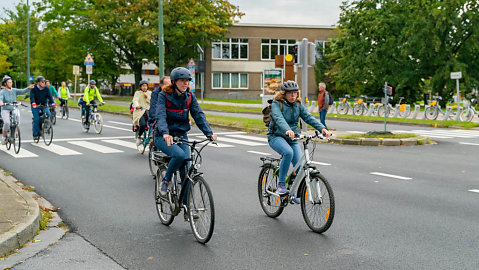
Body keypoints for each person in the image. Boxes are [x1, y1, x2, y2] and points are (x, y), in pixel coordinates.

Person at [155, 67, 217, 209]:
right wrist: (165, 132)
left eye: (187, 81)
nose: (185, 83)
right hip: (163, 136)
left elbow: (198, 115)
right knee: (179, 155)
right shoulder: (163, 96)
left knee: (187, 172)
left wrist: (209, 133)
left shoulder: (189, 97)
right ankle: (166, 180)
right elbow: (160, 115)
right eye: (182, 81)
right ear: (174, 82)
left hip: (181, 135)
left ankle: (185, 207)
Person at [268, 80, 332, 196]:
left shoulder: (298, 105)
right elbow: (278, 118)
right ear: (284, 94)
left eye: (295, 92)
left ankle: (292, 191)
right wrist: (287, 130)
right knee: (288, 152)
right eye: (290, 93)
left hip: (292, 138)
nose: (293, 95)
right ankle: (281, 185)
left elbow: (308, 117)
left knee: (300, 168)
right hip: (276, 136)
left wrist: (322, 129)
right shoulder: (277, 104)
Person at [0, 76, 34, 144]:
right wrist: (1, 103)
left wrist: (28, 88)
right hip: (5, 109)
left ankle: (16, 132)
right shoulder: (2, 92)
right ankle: (3, 137)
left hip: (13, 108)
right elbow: (0, 98)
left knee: (17, 116)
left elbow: (22, 91)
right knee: (7, 123)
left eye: (11, 82)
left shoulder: (14, 90)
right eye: (9, 82)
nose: (11, 83)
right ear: (5, 84)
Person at [132, 80, 151, 145]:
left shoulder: (150, 93)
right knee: (142, 124)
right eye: (143, 86)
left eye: (145, 86)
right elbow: (135, 100)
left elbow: (152, 102)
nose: (144, 87)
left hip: (149, 111)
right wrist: (137, 106)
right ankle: (139, 137)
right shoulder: (138, 93)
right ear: (140, 87)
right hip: (140, 111)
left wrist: (147, 97)